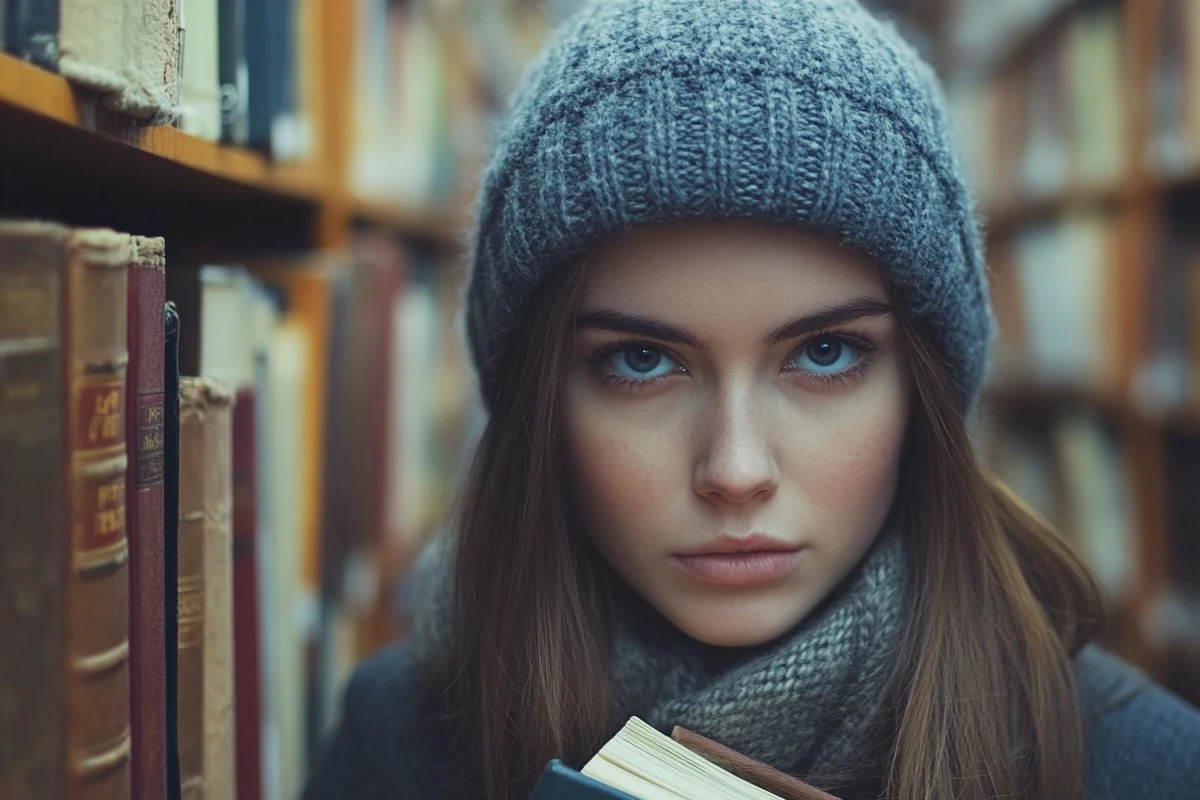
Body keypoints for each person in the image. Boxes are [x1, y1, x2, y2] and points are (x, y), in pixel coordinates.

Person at [303, 1, 1200, 798]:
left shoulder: (1145, 766)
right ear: (539, 399)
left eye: (825, 351)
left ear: (923, 391)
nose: (735, 471)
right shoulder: (400, 738)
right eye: (642, 361)